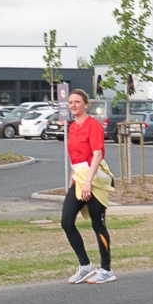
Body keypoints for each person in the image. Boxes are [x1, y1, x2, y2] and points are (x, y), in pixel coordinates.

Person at [61, 89, 116, 284]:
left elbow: (97, 154)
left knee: (97, 224)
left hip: (95, 181)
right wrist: (73, 181)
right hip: (78, 179)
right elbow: (74, 157)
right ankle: (85, 265)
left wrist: (88, 182)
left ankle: (107, 269)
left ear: (86, 104)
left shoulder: (93, 125)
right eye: (71, 102)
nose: (73, 105)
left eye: (77, 102)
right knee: (66, 222)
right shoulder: (72, 127)